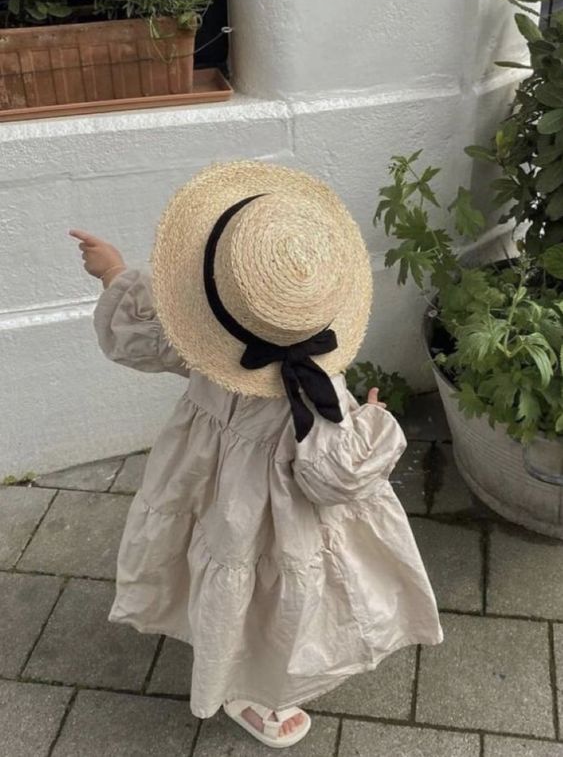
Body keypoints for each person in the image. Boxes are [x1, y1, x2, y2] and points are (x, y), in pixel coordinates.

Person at [70, 160, 442, 749]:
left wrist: (113, 270)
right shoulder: (318, 386)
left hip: (208, 484)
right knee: (273, 585)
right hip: (278, 511)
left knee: (222, 562)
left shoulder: (205, 339)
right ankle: (260, 687)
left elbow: (141, 341)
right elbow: (337, 475)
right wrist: (374, 422)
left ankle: (226, 655)